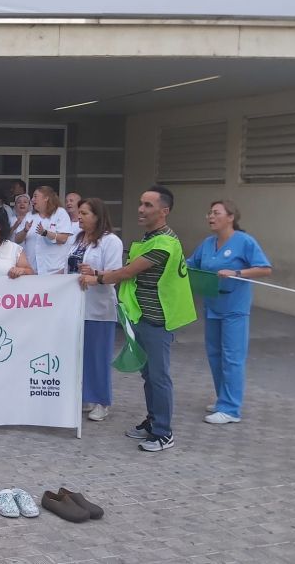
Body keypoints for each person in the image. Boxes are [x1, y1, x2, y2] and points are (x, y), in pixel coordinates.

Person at [79, 185, 196, 452]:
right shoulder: (150, 238)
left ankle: (163, 432)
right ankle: (153, 421)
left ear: (164, 211)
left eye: (148, 205)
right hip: (141, 315)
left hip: (159, 318)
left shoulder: (164, 242)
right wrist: (97, 272)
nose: (141, 209)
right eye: (141, 203)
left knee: (159, 376)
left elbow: (127, 272)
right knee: (148, 374)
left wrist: (97, 278)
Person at [187, 200, 272, 425]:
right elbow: (191, 264)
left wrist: (237, 272)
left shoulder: (245, 241)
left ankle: (231, 409)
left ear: (231, 217)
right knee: (215, 355)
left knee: (232, 357)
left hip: (235, 308)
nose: (210, 216)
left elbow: (265, 269)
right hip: (212, 306)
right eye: (209, 212)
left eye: (216, 213)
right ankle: (223, 399)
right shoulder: (207, 243)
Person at [69, 198, 123, 422]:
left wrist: (95, 273)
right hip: (76, 305)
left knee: (98, 355)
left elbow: (115, 274)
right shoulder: (78, 239)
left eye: (85, 213)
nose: (79, 217)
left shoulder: (111, 241)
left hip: (99, 308)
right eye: (79, 213)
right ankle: (86, 396)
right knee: (80, 355)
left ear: (97, 216)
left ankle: (102, 401)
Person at [14, 186, 73, 275]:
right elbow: (17, 239)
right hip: (33, 270)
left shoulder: (60, 213)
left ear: (46, 198)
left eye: (35, 196)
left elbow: (63, 239)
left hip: (54, 270)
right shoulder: (29, 215)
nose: (32, 200)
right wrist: (25, 230)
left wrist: (45, 233)